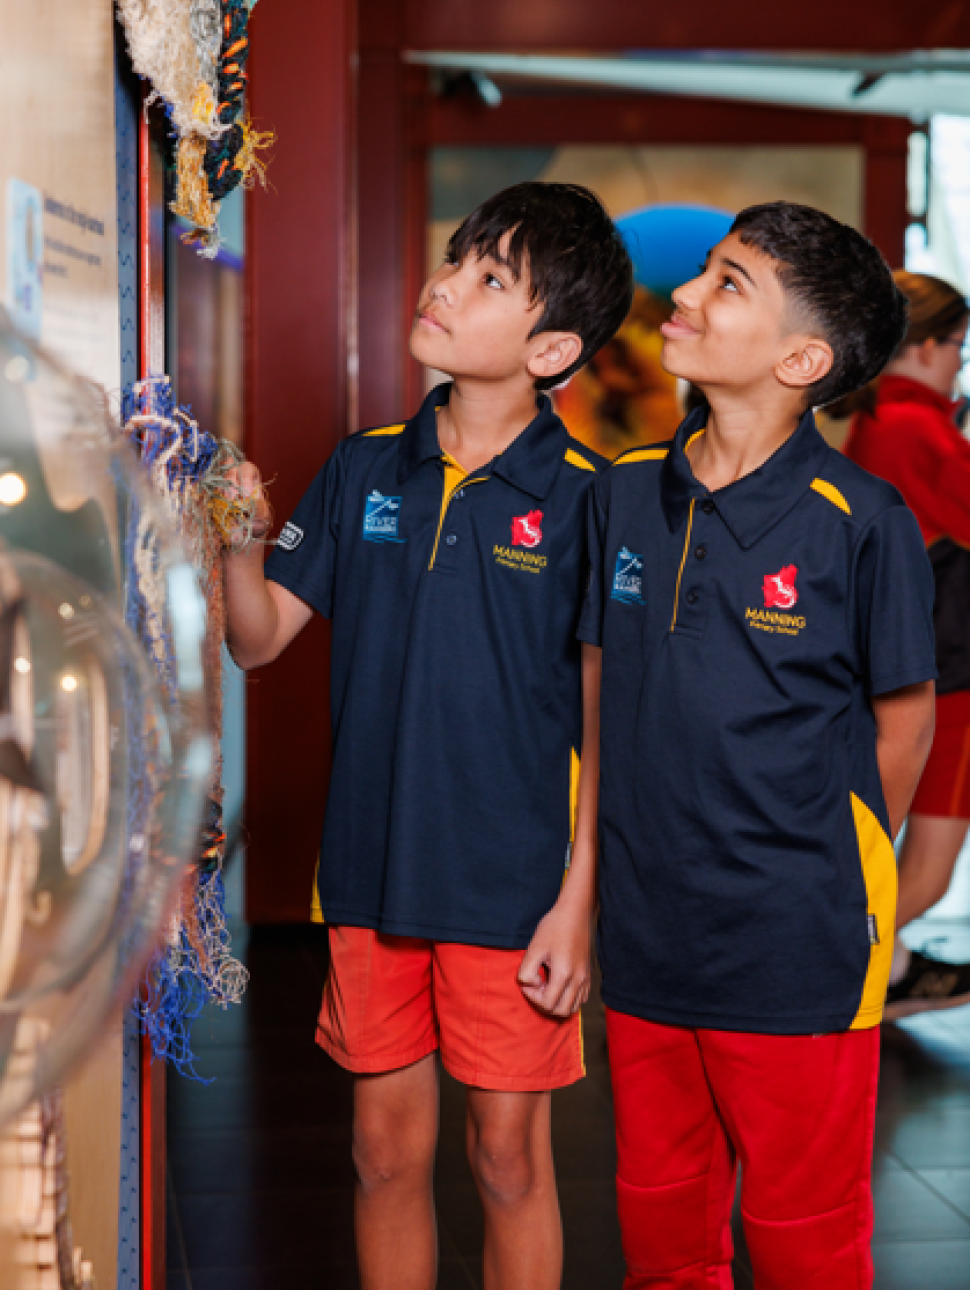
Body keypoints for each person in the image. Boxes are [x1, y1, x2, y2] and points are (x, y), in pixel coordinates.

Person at [223, 182, 633, 1290]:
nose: (444, 284)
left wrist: (577, 905)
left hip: (512, 889)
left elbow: (607, 728)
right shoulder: (364, 465)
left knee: (507, 1160)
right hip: (370, 872)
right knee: (381, 1153)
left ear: (551, 351)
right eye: (457, 258)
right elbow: (257, 642)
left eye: (489, 278)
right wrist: (238, 542)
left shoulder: (592, 502)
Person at [579, 202, 937, 1289]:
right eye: (703, 271)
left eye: (727, 282)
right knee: (660, 1230)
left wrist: (827, 860)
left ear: (802, 360)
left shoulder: (862, 518)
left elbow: (906, 722)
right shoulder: (623, 492)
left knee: (802, 1237)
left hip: (796, 947)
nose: (685, 295)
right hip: (646, 941)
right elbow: (599, 691)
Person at [843, 271, 970, 1020]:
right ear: (922, 347)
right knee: (924, 871)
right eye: (957, 347)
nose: (958, 363)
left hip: (901, 663)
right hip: (942, 671)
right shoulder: (914, 429)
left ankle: (880, 974)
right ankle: (838, 979)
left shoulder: (876, 421)